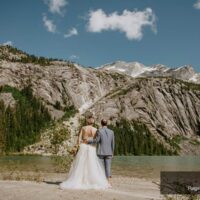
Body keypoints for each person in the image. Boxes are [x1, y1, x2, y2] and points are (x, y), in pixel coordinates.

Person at [59, 117, 110, 190]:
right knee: (91, 164)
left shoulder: (83, 128)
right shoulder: (95, 129)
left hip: (83, 146)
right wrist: (93, 147)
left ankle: (79, 180)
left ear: (87, 122)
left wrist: (77, 147)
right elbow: (95, 141)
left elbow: (79, 139)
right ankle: (91, 180)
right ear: (93, 122)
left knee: (81, 164)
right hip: (92, 148)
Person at [87, 119, 115, 184]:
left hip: (101, 152)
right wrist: (112, 152)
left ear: (101, 123)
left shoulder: (99, 131)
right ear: (107, 124)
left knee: (100, 167)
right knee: (108, 167)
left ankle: (101, 181)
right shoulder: (111, 132)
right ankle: (108, 181)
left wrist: (89, 140)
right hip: (109, 152)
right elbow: (113, 143)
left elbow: (97, 140)